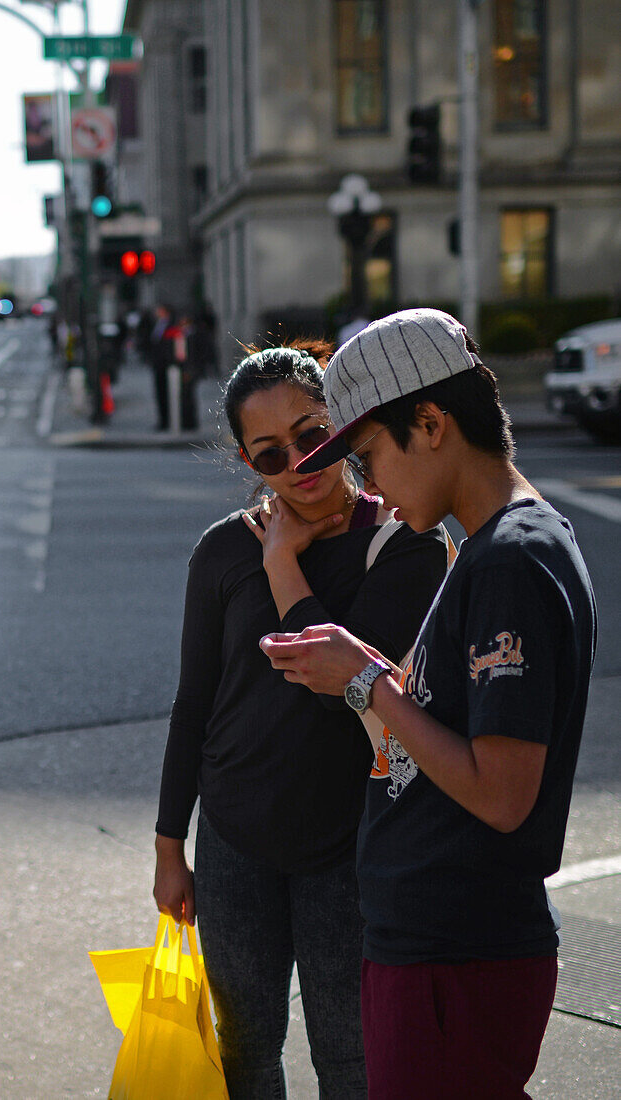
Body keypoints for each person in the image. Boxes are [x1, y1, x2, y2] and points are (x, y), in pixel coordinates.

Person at [260, 309, 597, 1100]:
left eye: (372, 453)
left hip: (458, 951)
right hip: (438, 946)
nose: (368, 483)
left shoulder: (512, 559)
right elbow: (462, 722)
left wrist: (369, 683)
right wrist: (370, 666)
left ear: (432, 423)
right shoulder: (494, 545)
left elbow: (504, 793)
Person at [153, 341, 450, 1099]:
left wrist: (284, 565)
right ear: (249, 463)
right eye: (269, 454)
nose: (300, 462)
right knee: (247, 1049)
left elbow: (341, 689)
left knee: (349, 1056)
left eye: (313, 433)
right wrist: (168, 846)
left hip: (347, 847)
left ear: (343, 422)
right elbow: (195, 703)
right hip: (233, 839)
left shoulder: (405, 542)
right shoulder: (223, 551)